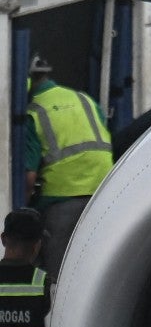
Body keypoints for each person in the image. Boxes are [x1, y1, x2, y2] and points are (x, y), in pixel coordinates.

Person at [22, 55, 112, 280]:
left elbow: (29, 178)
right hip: (104, 193)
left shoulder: (33, 112)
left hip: (61, 197)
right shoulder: (84, 99)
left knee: (58, 276)